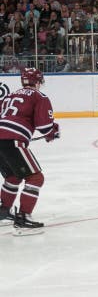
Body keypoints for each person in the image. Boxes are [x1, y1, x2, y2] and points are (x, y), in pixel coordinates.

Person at [0, 68, 60, 232]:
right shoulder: (39, 96)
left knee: (13, 176)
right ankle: (23, 218)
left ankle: (3, 213)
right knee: (35, 178)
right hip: (13, 141)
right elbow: (44, 126)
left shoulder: (9, 96)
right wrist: (52, 133)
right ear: (38, 82)